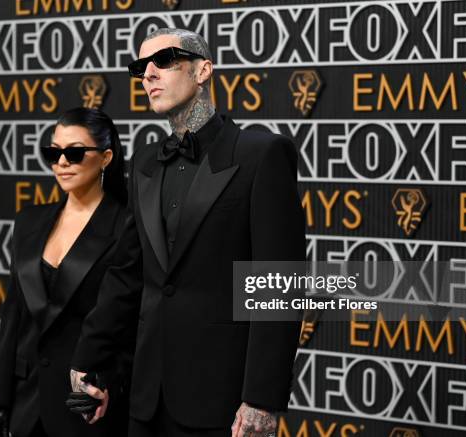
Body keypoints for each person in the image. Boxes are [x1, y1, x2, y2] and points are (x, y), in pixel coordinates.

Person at [71, 28, 306, 437]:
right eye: (140, 68)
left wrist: (262, 399)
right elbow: (128, 274)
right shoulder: (145, 163)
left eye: (164, 61)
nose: (148, 75)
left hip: (224, 403)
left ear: (203, 70)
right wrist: (89, 358)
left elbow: (279, 285)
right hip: (147, 397)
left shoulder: (260, 154)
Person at [0, 107, 132, 437]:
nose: (61, 162)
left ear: (106, 157)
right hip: (24, 404)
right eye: (53, 153)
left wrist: (107, 379)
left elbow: (132, 321)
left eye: (75, 152)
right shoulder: (28, 221)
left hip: (85, 403)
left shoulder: (125, 226)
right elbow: (13, 319)